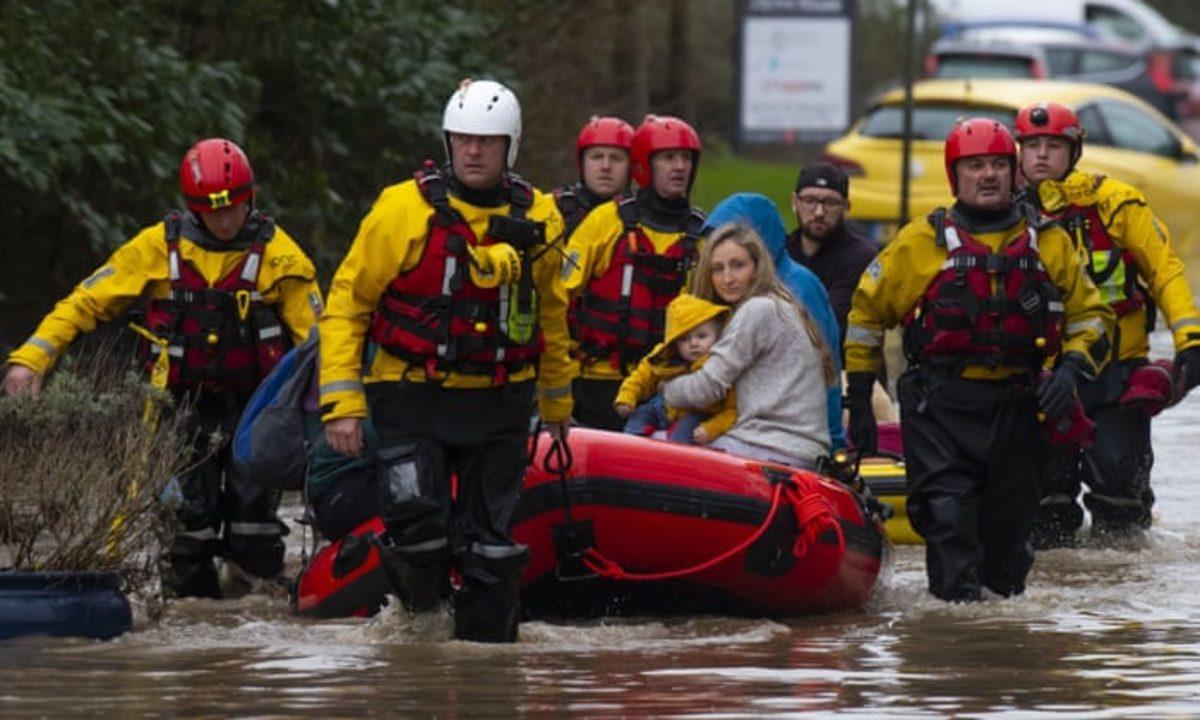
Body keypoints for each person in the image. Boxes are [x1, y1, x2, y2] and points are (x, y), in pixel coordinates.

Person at [2, 138, 322, 599]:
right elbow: (83, 303)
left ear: (250, 199)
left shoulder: (283, 258)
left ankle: (250, 608)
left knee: (255, 535)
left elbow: (321, 342)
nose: (227, 220)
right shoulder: (155, 248)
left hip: (257, 410)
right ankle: (193, 618)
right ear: (193, 208)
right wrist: (30, 360)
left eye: (234, 208)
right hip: (176, 409)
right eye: (214, 212)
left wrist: (340, 405)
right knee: (186, 535)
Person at [317, 79, 573, 643]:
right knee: (418, 526)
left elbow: (553, 318)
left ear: (511, 146)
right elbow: (347, 306)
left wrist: (557, 407)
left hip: (499, 403)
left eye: (486, 141)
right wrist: (342, 403)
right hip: (411, 395)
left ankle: (487, 665)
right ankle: (418, 639)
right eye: (462, 140)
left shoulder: (544, 219)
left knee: (491, 547)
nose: (473, 151)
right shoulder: (400, 210)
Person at [844, 117, 1114, 602]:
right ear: (955, 176)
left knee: (1009, 552)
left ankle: (999, 662)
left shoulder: (1049, 242)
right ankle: (952, 654)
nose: (987, 175)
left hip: (1020, 408)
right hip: (941, 410)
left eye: (997, 165)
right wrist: (861, 398)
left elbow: (1093, 318)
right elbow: (866, 314)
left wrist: (1070, 371)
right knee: (949, 521)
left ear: (1014, 174)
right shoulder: (919, 243)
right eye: (974, 166)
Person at [1015, 101, 1200, 545]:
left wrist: (1189, 339)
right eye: (1032, 145)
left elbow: (1165, 271)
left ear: (1074, 151)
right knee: (1045, 505)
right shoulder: (1002, 214)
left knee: (1121, 501)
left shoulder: (1114, 202)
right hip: (1041, 379)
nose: (1041, 155)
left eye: (1053, 145)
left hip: (1114, 373)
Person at [563, 114, 707, 430]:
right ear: (644, 165)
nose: (680, 167)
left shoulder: (703, 235)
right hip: (597, 382)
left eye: (686, 159)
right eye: (669, 158)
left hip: (670, 387)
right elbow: (560, 296)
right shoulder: (606, 221)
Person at [662, 224, 838, 470]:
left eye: (738, 265)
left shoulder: (758, 310)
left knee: (652, 447)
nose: (727, 278)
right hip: (798, 449)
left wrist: (664, 390)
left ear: (757, 268)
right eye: (717, 269)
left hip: (769, 447)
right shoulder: (780, 305)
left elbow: (708, 388)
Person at [703, 193, 848, 450]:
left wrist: (833, 442)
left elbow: (823, 367)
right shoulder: (737, 288)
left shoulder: (797, 287)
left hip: (788, 437)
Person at [614, 293, 736, 444]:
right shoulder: (664, 358)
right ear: (674, 342)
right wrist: (627, 397)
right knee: (640, 414)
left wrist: (711, 429)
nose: (693, 344)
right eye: (684, 339)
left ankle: (673, 461)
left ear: (717, 336)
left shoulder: (721, 365)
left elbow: (732, 411)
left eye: (702, 336)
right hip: (662, 408)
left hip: (697, 415)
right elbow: (641, 376)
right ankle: (630, 446)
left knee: (685, 433)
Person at [785, 162, 879, 347]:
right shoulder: (779, 251)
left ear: (846, 207)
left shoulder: (861, 256)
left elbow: (830, 322)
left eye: (830, 203)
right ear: (795, 202)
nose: (819, 212)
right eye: (810, 201)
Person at [554, 116, 634, 237]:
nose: (606, 166)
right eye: (596, 157)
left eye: (616, 158)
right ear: (582, 162)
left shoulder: (645, 217)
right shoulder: (555, 208)